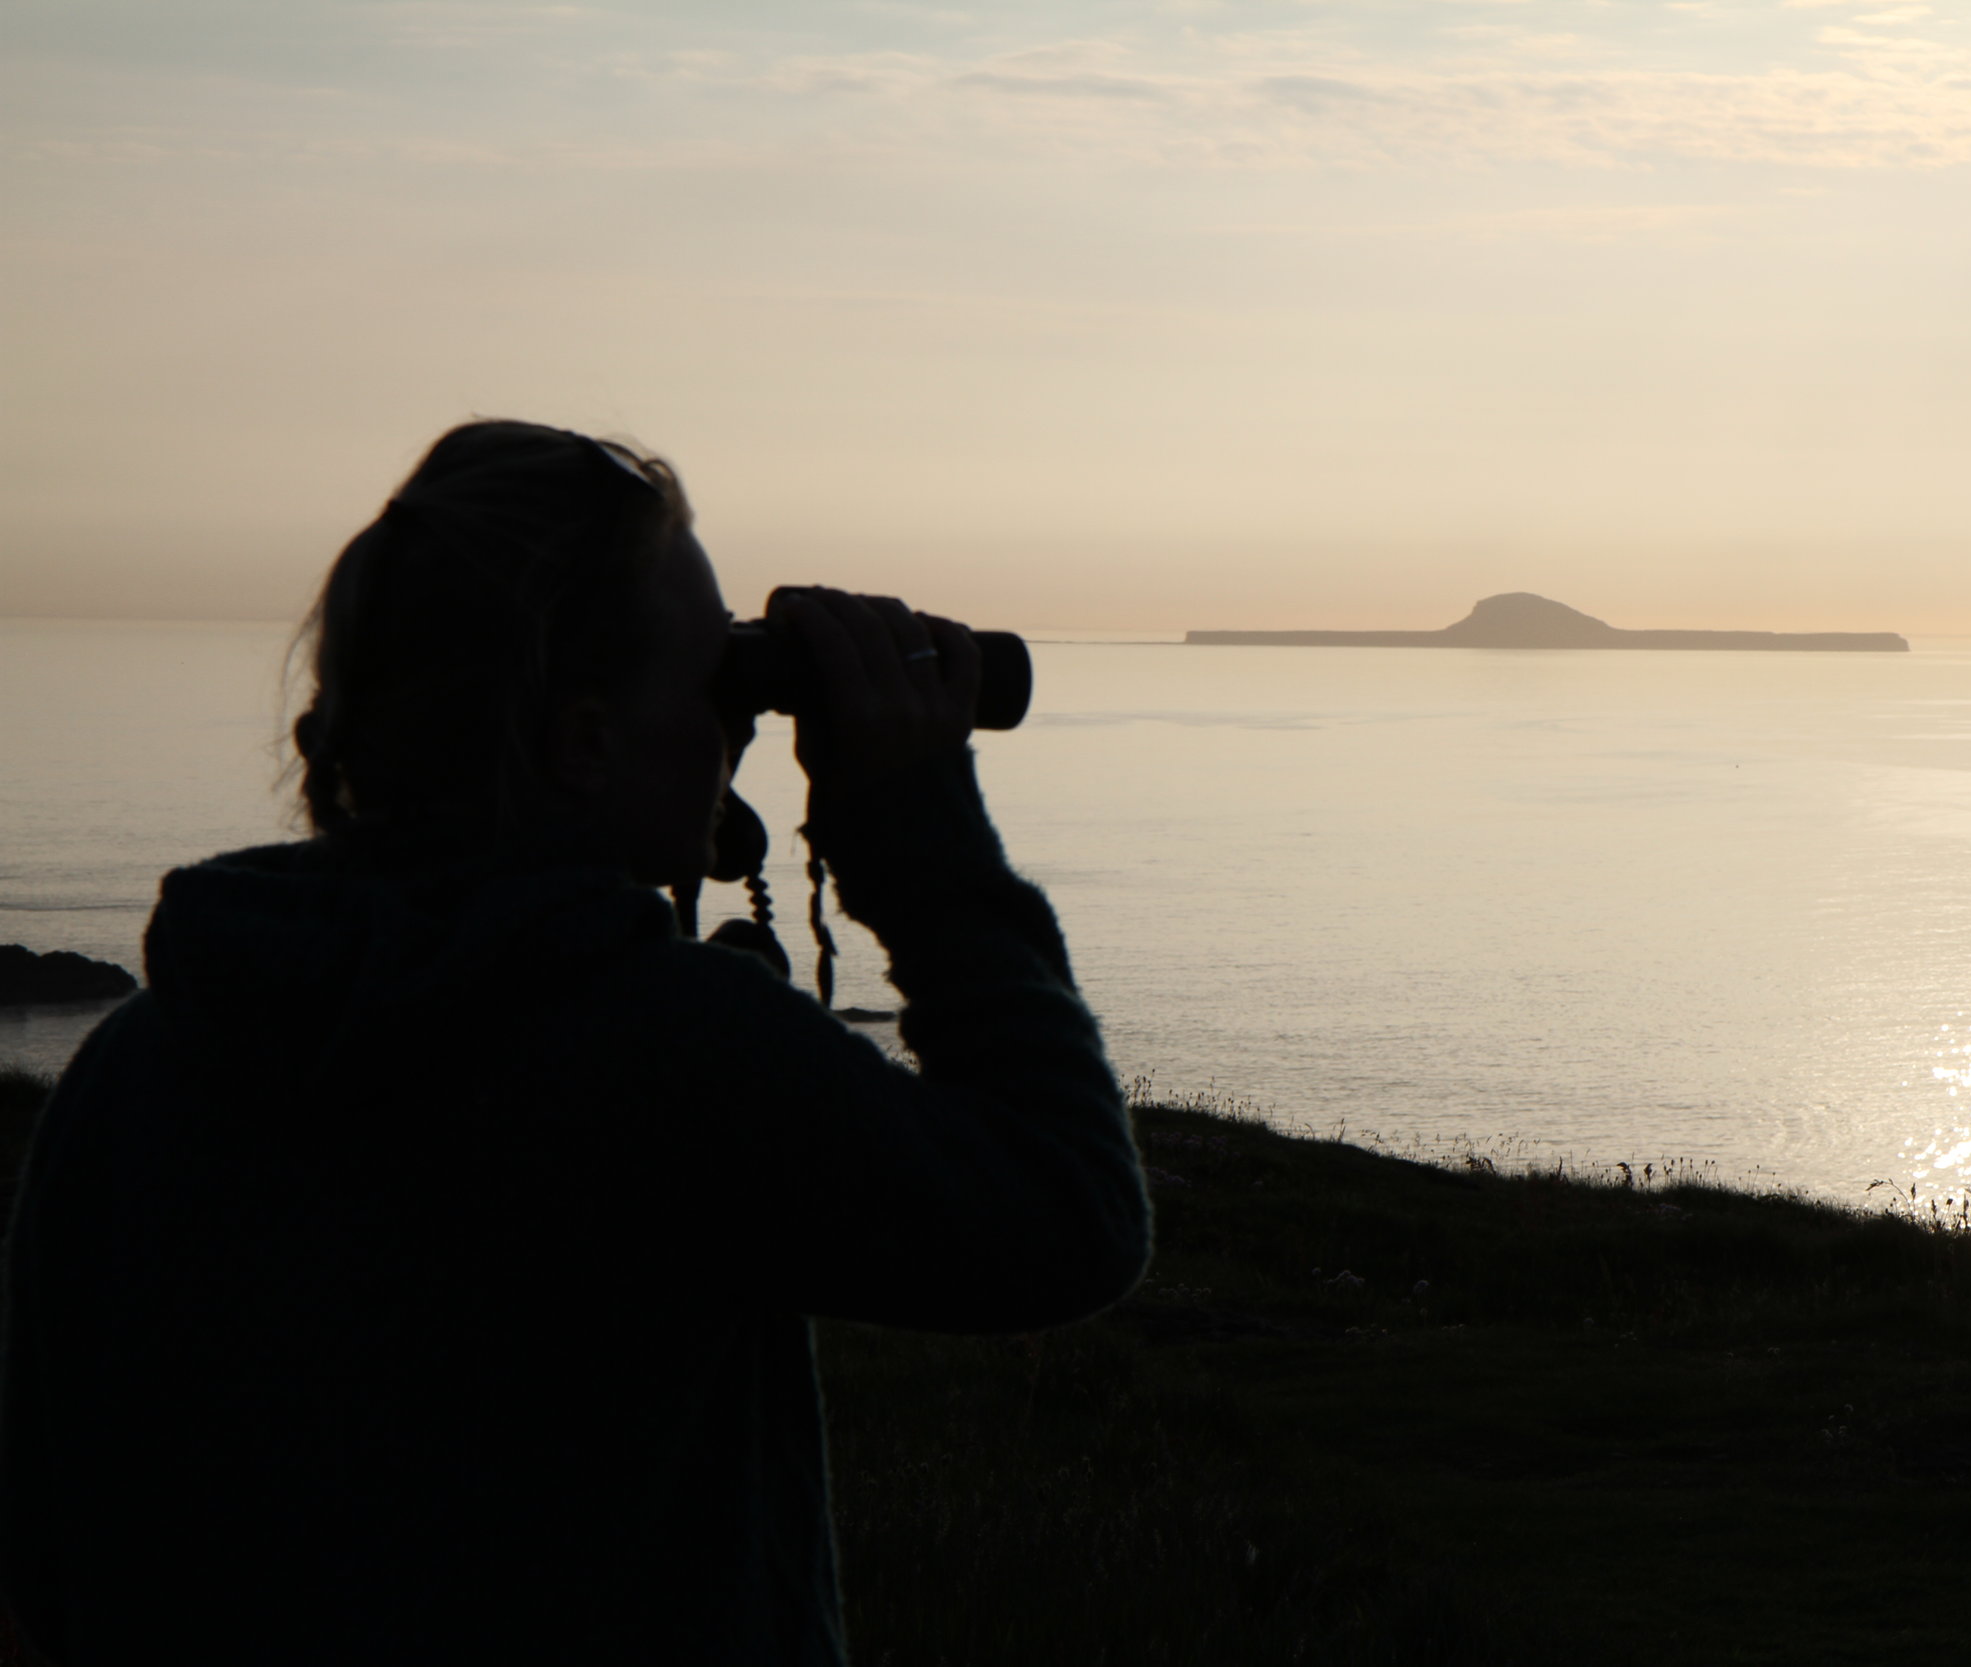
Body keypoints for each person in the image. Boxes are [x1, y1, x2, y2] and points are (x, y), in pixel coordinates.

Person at [0, 421, 1150, 1663]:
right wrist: (918, 835)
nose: (742, 727)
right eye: (720, 682)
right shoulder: (663, 1050)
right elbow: (1065, 1211)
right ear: (587, 738)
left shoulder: (141, 1067)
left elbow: (44, 1553)